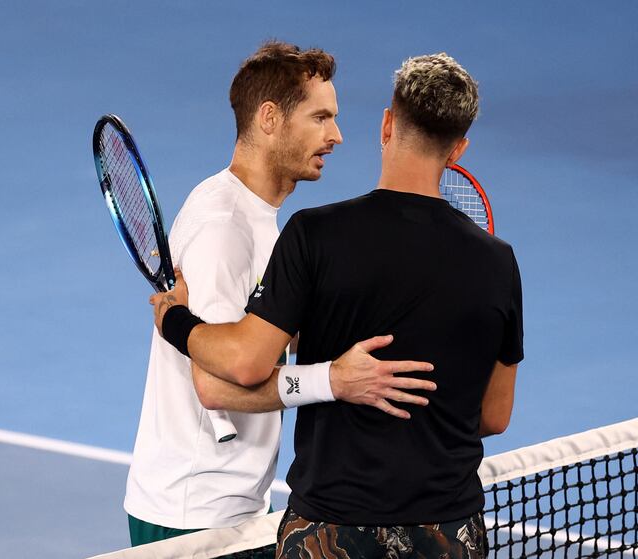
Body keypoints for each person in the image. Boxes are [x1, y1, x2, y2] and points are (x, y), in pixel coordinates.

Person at [154, 52, 523, 559]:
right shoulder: (498, 262)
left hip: (331, 531)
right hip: (448, 531)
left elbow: (245, 359)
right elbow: (494, 415)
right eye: (322, 117)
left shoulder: (315, 236)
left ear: (388, 124)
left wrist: (173, 319)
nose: (336, 134)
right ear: (458, 149)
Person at [125, 41, 436, 556]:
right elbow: (216, 384)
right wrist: (333, 381)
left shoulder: (258, 218)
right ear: (270, 118)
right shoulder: (224, 230)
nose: (336, 135)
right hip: (193, 515)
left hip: (235, 502)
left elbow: (268, 339)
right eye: (320, 118)